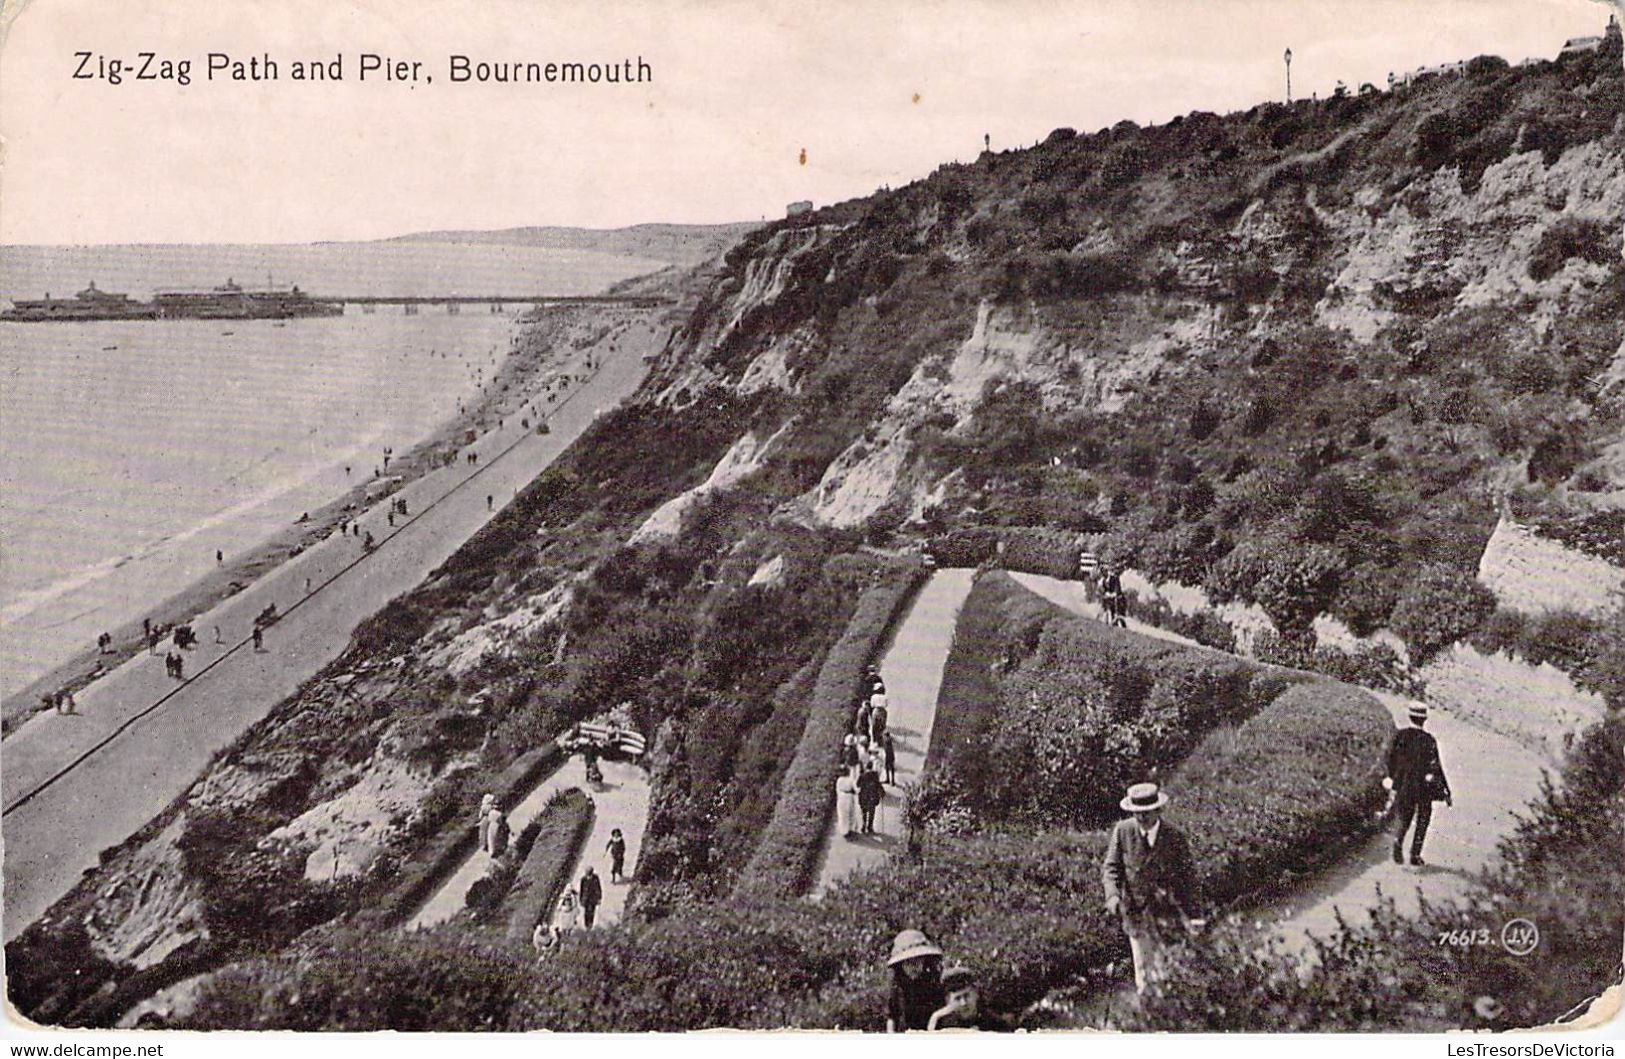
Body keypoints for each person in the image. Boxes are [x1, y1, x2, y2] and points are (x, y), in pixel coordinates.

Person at [1101, 782, 1203, 995]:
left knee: (1171, 972)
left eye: (1147, 813)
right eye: (1137, 813)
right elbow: (1111, 868)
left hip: (1169, 917)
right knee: (1144, 975)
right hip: (1136, 916)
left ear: (1158, 809)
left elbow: (1189, 880)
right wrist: (1112, 895)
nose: (1142, 818)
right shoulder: (1122, 832)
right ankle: (1149, 1017)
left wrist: (1195, 916)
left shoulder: (1175, 838)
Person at [1384, 702, 1452, 867]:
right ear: (1424, 720)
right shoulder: (1429, 740)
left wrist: (1394, 778)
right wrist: (1446, 791)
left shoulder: (1400, 735)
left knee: (1405, 818)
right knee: (1423, 819)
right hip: (1423, 787)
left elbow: (1389, 758)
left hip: (1404, 784)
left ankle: (1398, 843)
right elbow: (1436, 767)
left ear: (1410, 717)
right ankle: (1415, 855)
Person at [886, 930, 946, 1032]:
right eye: (908, 963)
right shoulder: (897, 989)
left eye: (917, 961)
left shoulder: (935, 985)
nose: (913, 967)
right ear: (900, 966)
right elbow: (892, 1017)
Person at [928, 966, 982, 1030]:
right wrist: (934, 1018)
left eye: (967, 996)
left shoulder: (991, 1020)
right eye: (957, 999)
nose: (963, 1003)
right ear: (948, 1001)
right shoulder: (942, 1024)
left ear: (976, 994)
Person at [857, 762, 884, 834]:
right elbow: (878, 785)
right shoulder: (875, 775)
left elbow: (858, 785)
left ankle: (863, 826)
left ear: (866, 767)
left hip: (864, 797)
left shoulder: (862, 775)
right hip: (872, 797)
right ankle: (869, 827)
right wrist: (882, 792)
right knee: (871, 813)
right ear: (872, 767)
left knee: (864, 812)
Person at [836, 771, 858, 837]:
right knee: (851, 813)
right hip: (849, 797)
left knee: (842, 814)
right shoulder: (851, 779)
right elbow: (856, 790)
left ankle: (844, 831)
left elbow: (837, 789)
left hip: (841, 796)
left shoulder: (839, 780)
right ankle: (851, 828)